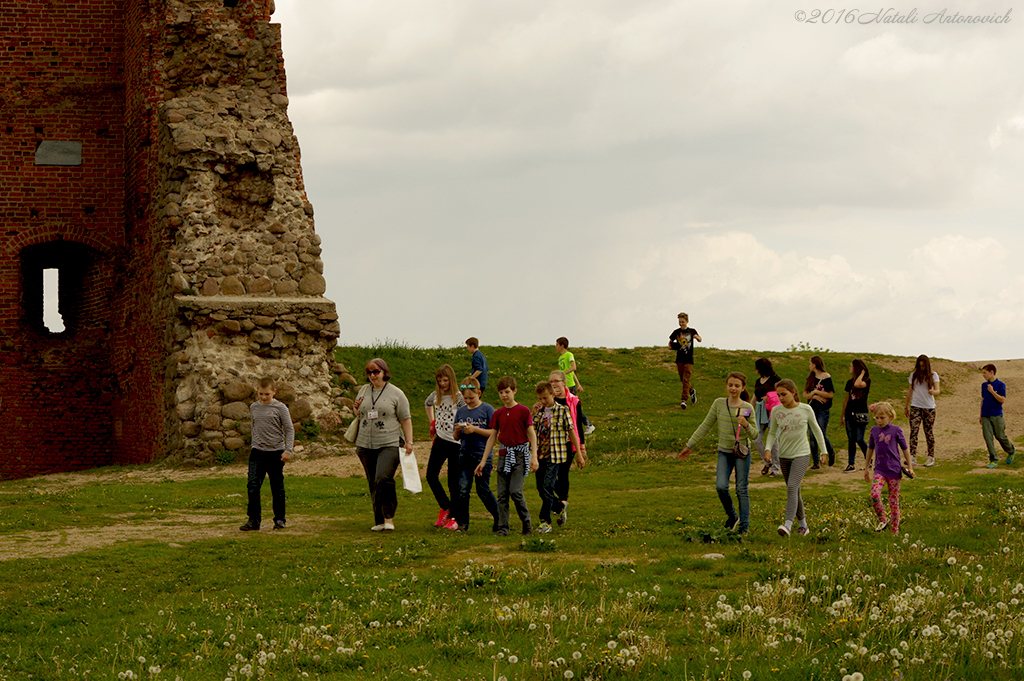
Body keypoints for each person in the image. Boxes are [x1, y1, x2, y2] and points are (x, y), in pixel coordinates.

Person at [678, 372, 758, 534]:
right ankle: (732, 516)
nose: (733, 388)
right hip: (724, 452)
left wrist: (747, 425)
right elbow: (705, 425)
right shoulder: (718, 404)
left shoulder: (747, 408)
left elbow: (755, 435)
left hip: (741, 452)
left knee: (741, 489)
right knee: (721, 486)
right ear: (726, 386)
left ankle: (744, 528)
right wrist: (689, 446)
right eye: (730, 385)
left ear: (743, 388)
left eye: (737, 385)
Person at [354, 358, 414, 532]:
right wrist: (356, 407)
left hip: (389, 441)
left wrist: (409, 441)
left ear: (384, 372)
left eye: (376, 372)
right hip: (365, 442)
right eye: (369, 373)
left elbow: (405, 419)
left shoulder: (396, 393)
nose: (373, 376)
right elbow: (360, 414)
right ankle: (379, 520)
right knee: (373, 481)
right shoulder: (364, 391)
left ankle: (389, 518)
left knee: (383, 478)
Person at [764, 379, 826, 538]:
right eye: (779, 395)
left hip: (802, 454)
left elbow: (817, 430)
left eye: (784, 394)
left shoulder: (806, 409)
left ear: (793, 392)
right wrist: (768, 449)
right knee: (795, 491)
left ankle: (787, 525)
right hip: (784, 455)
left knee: (791, 487)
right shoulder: (777, 411)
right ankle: (803, 525)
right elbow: (772, 433)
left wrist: (823, 451)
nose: (781, 398)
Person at [477, 376, 537, 536]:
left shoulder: (523, 411)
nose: (504, 395)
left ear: (514, 391)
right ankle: (503, 528)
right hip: (504, 455)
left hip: (520, 455)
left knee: (515, 491)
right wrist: (483, 461)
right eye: (501, 392)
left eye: (507, 392)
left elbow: (532, 434)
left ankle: (527, 523)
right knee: (502, 494)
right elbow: (492, 437)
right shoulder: (498, 413)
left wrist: (534, 457)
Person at [240, 377, 294, 532]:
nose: (263, 397)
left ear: (274, 392)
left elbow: (289, 429)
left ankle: (279, 519)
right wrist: (253, 444)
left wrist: (288, 450)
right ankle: (253, 520)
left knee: (277, 487)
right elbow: (254, 427)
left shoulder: (280, 408)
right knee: (253, 486)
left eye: (267, 394)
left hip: (276, 452)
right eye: (261, 394)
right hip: (257, 452)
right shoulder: (254, 407)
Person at [532, 380, 583, 533]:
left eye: (545, 398)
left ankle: (545, 521)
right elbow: (532, 430)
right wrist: (534, 413)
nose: (542, 401)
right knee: (541, 488)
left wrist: (579, 453)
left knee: (548, 486)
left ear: (553, 395)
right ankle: (560, 506)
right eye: (540, 398)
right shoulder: (540, 412)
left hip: (555, 455)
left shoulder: (562, 410)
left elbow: (571, 432)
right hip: (541, 454)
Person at [452, 377, 498, 532]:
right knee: (463, 489)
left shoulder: (487, 409)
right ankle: (463, 523)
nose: (468, 401)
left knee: (483, 490)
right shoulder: (461, 411)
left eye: (471, 398)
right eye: (465, 398)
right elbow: (455, 437)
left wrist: (475, 430)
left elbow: (493, 432)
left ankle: (499, 517)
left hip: (482, 455)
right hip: (464, 454)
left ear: (479, 393)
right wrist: (458, 431)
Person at [424, 364, 465, 530]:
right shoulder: (436, 395)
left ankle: (454, 517)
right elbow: (427, 404)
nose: (442, 384)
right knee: (431, 476)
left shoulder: (458, 397)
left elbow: (466, 411)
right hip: (440, 440)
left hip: (456, 443)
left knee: (453, 482)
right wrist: (432, 421)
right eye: (439, 380)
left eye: (445, 380)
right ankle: (446, 507)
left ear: (451, 379)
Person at [864, 402, 912, 535]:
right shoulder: (874, 430)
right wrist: (866, 467)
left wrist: (910, 466)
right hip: (879, 469)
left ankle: (895, 530)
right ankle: (882, 519)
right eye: (877, 418)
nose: (879, 420)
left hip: (894, 471)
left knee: (893, 501)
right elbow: (870, 449)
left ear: (890, 416)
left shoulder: (896, 430)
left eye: (882, 417)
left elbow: (905, 449)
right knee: (874, 494)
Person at [547, 370, 589, 526]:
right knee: (549, 475)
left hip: (569, 443)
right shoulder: (548, 401)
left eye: (556, 381)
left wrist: (581, 449)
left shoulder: (574, 401)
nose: (554, 385)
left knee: (563, 473)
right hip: (551, 443)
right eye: (551, 382)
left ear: (564, 382)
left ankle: (562, 504)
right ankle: (557, 502)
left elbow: (578, 424)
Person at [904, 354, 940, 467]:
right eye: (920, 366)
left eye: (923, 366)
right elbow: (910, 391)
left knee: (928, 432)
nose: (922, 368)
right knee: (914, 431)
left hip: (929, 407)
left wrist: (933, 392)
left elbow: (938, 390)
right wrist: (906, 406)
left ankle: (930, 456)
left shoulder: (933, 375)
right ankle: (912, 457)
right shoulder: (913, 375)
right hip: (915, 406)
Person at [556, 336, 595, 435]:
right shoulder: (560, 358)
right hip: (564, 385)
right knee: (565, 408)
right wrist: (579, 384)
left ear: (562, 346)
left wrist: (562, 375)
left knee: (572, 408)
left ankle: (588, 425)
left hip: (569, 386)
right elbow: (571, 373)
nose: (555, 347)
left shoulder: (569, 354)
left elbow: (573, 367)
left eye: (557, 345)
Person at [803, 355, 836, 469]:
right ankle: (815, 462)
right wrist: (814, 395)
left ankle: (830, 452)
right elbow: (805, 394)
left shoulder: (826, 377)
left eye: (810, 363)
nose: (809, 366)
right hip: (812, 408)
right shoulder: (810, 377)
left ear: (815, 364)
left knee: (820, 433)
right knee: (812, 435)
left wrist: (818, 392)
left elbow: (830, 394)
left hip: (823, 409)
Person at [980, 363, 1015, 468]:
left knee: (1000, 436)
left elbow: (1002, 400)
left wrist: (992, 391)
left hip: (996, 415)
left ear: (991, 372)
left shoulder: (1000, 385)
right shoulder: (983, 385)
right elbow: (982, 399)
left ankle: (1011, 450)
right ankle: (993, 460)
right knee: (988, 437)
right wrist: (980, 414)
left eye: (985, 373)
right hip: (985, 415)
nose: (983, 375)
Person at [839, 359, 871, 472]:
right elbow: (846, 399)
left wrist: (862, 373)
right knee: (851, 439)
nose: (849, 368)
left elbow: (858, 384)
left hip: (861, 414)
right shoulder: (849, 382)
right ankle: (851, 464)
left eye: (851, 366)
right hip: (849, 413)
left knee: (859, 438)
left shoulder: (866, 381)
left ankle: (869, 458)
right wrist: (842, 415)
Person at [753, 358, 782, 477]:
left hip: (772, 412)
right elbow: (754, 397)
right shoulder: (758, 381)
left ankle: (775, 467)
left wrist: (770, 398)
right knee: (756, 439)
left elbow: (781, 394)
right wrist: (748, 410)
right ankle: (767, 461)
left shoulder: (775, 380)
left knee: (774, 440)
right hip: (760, 412)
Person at [668, 312, 702, 409]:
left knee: (686, 379)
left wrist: (697, 338)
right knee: (683, 380)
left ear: (687, 321)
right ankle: (691, 391)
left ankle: (684, 400)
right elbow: (670, 342)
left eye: (683, 322)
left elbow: (700, 339)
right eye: (680, 322)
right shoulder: (676, 332)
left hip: (688, 359)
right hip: (679, 359)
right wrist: (671, 346)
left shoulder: (692, 331)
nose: (681, 323)